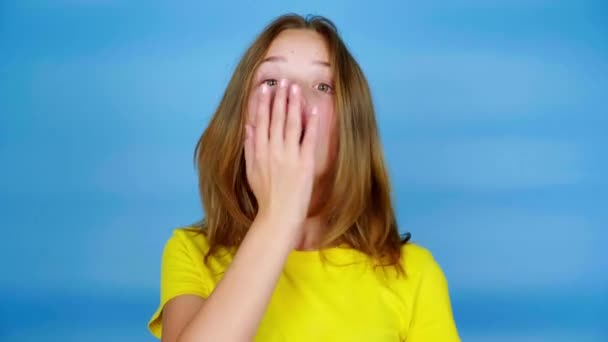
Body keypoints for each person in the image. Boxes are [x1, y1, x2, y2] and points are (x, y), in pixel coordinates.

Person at [147, 13, 460, 342]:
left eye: (322, 86)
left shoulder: (415, 273)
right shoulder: (192, 252)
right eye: (271, 82)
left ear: (350, 129)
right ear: (240, 121)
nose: (291, 99)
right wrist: (278, 217)